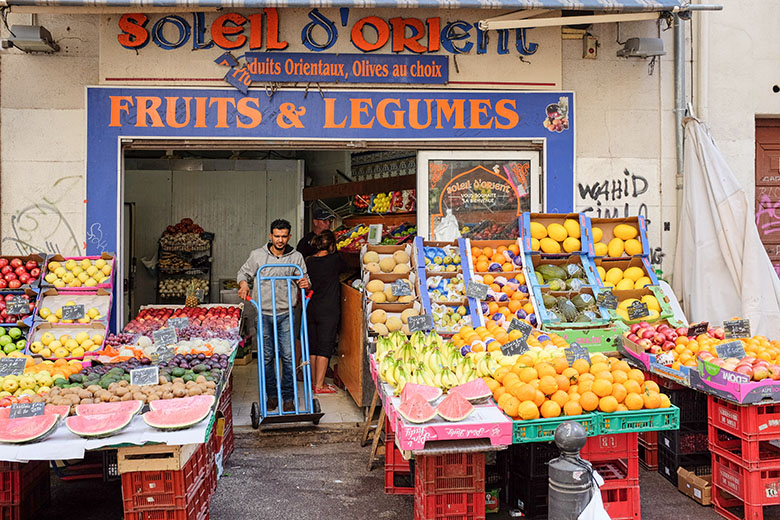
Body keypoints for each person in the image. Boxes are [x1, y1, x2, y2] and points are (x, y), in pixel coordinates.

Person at [238, 219, 310, 413]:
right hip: (264, 313)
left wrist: (305, 284)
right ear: (270, 235)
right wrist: (244, 284)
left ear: (289, 236)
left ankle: (288, 398)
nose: (280, 240)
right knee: (267, 357)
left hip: (286, 313)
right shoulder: (258, 255)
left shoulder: (296, 257)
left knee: (288, 357)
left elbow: (306, 280)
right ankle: (271, 396)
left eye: (283, 236)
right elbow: (243, 274)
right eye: (276, 236)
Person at [304, 230, 347, 394]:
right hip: (328, 309)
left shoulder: (309, 261)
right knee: (325, 346)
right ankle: (320, 386)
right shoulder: (335, 260)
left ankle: (315, 382)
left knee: (314, 346)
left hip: (312, 306)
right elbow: (346, 267)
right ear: (331, 245)